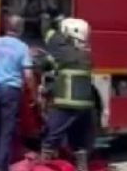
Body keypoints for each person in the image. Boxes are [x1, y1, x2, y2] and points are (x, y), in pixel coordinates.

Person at [38, 15, 94, 171]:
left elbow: (47, 33)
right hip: (85, 107)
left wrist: (46, 17)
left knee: (50, 138)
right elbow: (56, 64)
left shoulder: (63, 49)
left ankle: (44, 165)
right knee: (78, 143)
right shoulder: (83, 55)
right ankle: (81, 167)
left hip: (66, 104)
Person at [0, 14, 35, 171]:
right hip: (11, 91)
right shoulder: (22, 47)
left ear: (6, 27)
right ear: (20, 29)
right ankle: (1, 166)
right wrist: (32, 93)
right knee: (6, 131)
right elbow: (28, 75)